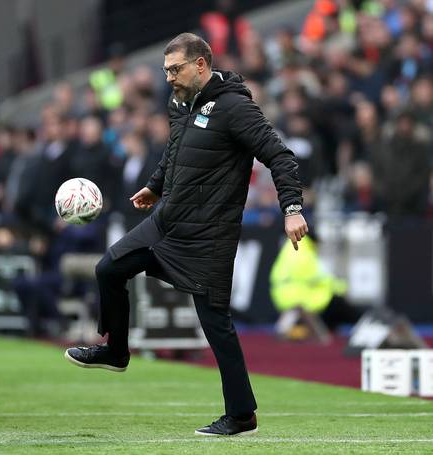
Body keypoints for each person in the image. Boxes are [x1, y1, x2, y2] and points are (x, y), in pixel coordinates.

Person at [65, 33, 308, 436]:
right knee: (108, 268)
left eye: (175, 69)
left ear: (201, 64)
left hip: (208, 235)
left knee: (215, 324)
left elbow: (279, 155)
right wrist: (156, 185)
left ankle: (242, 415)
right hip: (166, 223)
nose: (169, 78)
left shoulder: (234, 108)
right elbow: (175, 151)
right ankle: (116, 350)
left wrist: (292, 209)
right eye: (165, 71)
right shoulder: (180, 102)